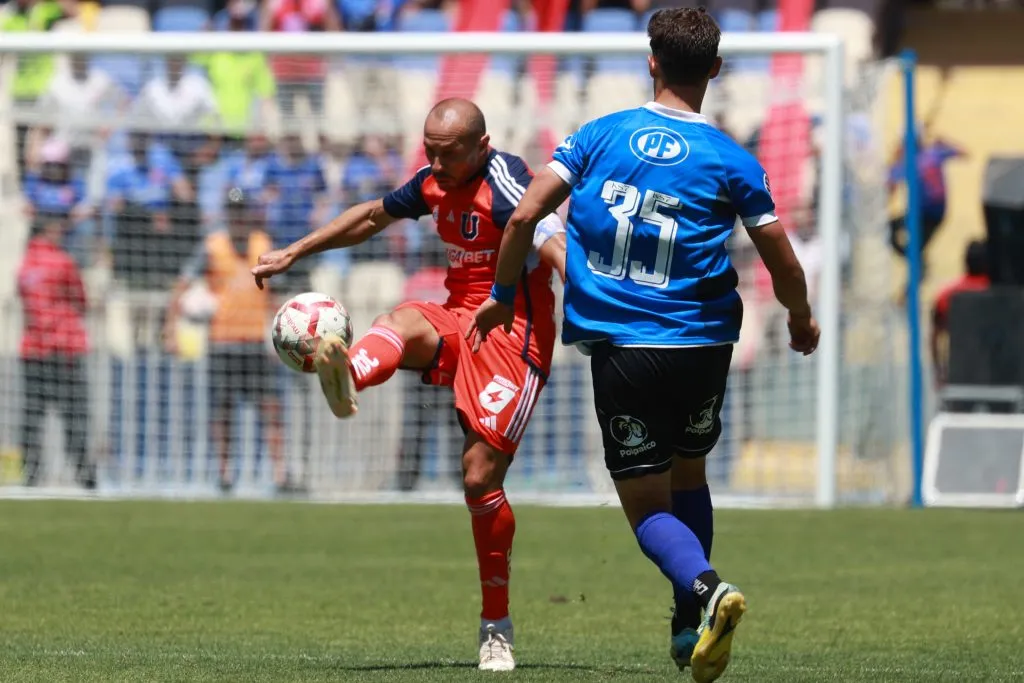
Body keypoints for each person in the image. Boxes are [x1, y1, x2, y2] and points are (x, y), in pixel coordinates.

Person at [470, 9, 819, 682]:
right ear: (715, 70)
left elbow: (521, 215)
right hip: (705, 345)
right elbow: (782, 257)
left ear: (651, 62)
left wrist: (505, 295)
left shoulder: (600, 135)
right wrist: (799, 317)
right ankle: (688, 626)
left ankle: (706, 588)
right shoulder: (732, 158)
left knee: (646, 506)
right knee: (690, 472)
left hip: (627, 349)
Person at [251, 98, 567, 672]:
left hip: (513, 333)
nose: (436, 163)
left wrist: (586, 298)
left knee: (478, 478)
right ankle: (346, 375)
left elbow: (547, 235)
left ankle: (496, 623)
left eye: (448, 154)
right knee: (401, 319)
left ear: (482, 145)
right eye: (430, 151)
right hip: (458, 317)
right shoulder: (433, 182)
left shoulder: (509, 179)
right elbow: (373, 215)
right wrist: (295, 250)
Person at [164, 188, 288, 492]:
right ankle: (224, 473)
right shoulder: (212, 246)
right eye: (232, 211)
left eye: (242, 211)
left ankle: (280, 474)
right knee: (222, 412)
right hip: (222, 341)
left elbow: (276, 293)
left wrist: (281, 335)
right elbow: (182, 285)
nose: (237, 217)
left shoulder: (263, 244)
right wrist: (171, 327)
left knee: (271, 408)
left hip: (255, 342)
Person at [16, 211, 95, 489]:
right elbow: (81, 300)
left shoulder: (25, 266)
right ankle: (85, 475)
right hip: (64, 349)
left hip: (34, 351)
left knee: (32, 414)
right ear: (49, 230)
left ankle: (31, 472)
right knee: (75, 414)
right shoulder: (62, 262)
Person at [930, 239, 989, 388]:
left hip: (959, 374)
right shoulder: (1003, 294)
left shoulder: (945, 296)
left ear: (965, 262)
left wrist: (940, 372)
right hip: (998, 375)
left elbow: (935, 337)